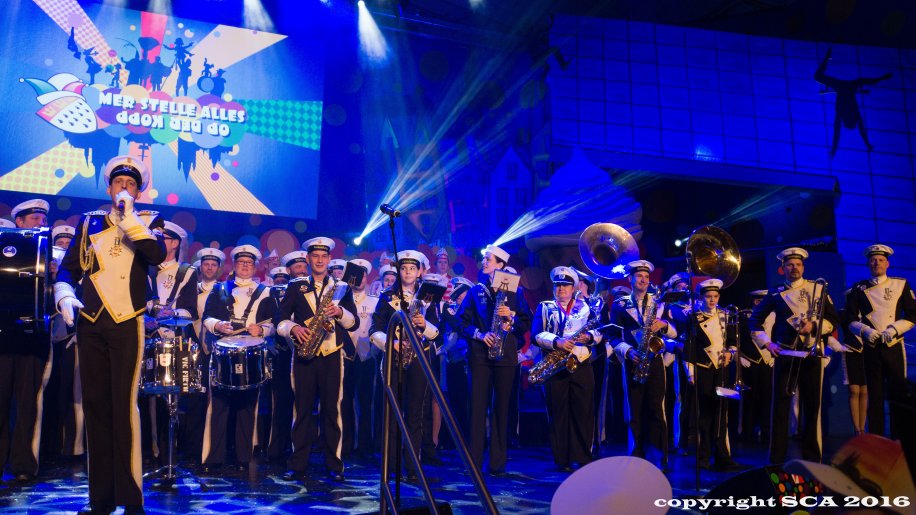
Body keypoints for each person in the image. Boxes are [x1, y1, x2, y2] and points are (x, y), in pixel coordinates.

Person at [55, 156, 166, 513]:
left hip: (127, 321)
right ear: (108, 188)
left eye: (131, 184)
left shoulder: (149, 220)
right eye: (119, 183)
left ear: (139, 191)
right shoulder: (88, 222)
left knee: (124, 408)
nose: (124, 188)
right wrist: (64, 295)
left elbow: (155, 253)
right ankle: (100, 500)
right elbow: (67, 270)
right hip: (90, 323)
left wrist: (129, 215)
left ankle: (132, 500)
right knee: (96, 408)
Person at [277, 237, 358, 482]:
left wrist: (340, 312)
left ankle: (334, 465)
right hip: (304, 354)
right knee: (301, 410)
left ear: (329, 259)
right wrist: (293, 328)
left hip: (332, 354)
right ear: (308, 259)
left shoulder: (341, 287)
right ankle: (297, 464)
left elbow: (354, 323)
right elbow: (279, 319)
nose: (320, 260)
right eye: (315, 256)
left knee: (332, 411)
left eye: (324, 256)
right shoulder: (296, 286)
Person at [749, 247, 839, 464]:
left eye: (798, 264)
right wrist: (767, 343)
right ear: (783, 268)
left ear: (803, 267)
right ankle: (776, 459)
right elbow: (754, 321)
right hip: (786, 353)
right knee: (780, 407)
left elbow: (833, 320)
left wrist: (814, 326)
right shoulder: (775, 292)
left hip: (811, 354)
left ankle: (813, 459)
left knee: (812, 407)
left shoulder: (817, 288)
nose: (794, 268)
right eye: (790, 264)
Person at [455, 245, 531, 476]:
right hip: (480, 355)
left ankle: (498, 462)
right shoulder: (475, 291)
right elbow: (460, 322)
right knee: (477, 407)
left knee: (501, 408)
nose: (484, 262)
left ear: (501, 265)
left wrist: (512, 318)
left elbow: (526, 322)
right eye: (484, 259)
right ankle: (474, 461)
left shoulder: (515, 292)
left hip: (505, 356)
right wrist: (479, 334)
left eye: (488, 259)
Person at [201, 245, 276, 473]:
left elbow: (274, 322)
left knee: (247, 406)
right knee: (219, 406)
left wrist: (262, 331)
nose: (245, 266)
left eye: (249, 263)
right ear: (234, 265)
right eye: (241, 262)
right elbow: (207, 317)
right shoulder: (219, 288)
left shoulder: (266, 291)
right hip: (223, 352)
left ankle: (244, 458)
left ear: (255, 266)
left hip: (251, 353)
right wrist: (217, 325)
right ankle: (214, 458)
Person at [369, 250, 442, 479]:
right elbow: (374, 330)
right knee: (392, 413)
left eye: (412, 268)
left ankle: (412, 467)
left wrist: (425, 324)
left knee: (415, 414)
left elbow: (438, 333)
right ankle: (391, 466)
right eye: (403, 268)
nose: (408, 272)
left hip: (420, 359)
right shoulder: (386, 297)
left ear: (420, 272)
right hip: (394, 358)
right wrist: (391, 342)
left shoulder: (428, 297)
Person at [607, 260, 677, 471]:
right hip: (633, 360)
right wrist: (627, 351)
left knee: (657, 410)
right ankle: (636, 455)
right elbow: (612, 336)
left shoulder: (659, 303)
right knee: (634, 411)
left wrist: (664, 325)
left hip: (654, 361)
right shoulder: (619, 305)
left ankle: (660, 456)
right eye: (639, 276)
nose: (644, 280)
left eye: (646, 277)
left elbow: (675, 332)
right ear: (630, 279)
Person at [533, 267, 604, 471]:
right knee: (558, 412)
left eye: (565, 285)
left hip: (581, 363)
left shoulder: (586, 307)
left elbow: (599, 331)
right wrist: (557, 342)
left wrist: (589, 337)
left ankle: (583, 457)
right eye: (558, 285)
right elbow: (536, 334)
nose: (561, 289)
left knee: (584, 411)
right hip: (555, 365)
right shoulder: (545, 307)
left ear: (574, 288)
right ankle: (562, 459)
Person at [0, 199, 51, 484]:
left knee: (28, 405)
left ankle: (23, 464)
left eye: (43, 219)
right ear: (19, 222)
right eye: (35, 219)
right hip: (3, 337)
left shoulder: (48, 252)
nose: (41, 223)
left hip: (33, 339)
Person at [845, 244, 916, 438]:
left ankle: (899, 439)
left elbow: (913, 314)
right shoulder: (858, 288)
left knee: (898, 395)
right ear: (868, 263)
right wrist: (865, 330)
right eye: (873, 260)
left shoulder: (900, 284)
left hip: (894, 347)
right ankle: (876, 439)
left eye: (881, 260)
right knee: (874, 396)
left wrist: (894, 329)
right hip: (871, 347)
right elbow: (849, 318)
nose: (877, 263)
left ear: (888, 264)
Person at [684, 279, 740, 471]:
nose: (712, 300)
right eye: (708, 296)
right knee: (704, 415)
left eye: (715, 296)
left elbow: (732, 340)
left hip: (721, 368)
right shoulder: (694, 317)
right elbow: (689, 345)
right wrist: (690, 371)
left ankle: (723, 456)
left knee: (721, 413)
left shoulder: (726, 315)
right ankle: (703, 457)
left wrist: (730, 353)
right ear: (701, 297)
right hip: (703, 368)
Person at [181, 247, 225, 460]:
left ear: (218, 268)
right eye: (206, 264)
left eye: (213, 265)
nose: (209, 268)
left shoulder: (224, 291)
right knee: (194, 398)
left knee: (216, 399)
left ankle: (215, 447)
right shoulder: (191, 290)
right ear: (200, 267)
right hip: (194, 348)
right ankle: (192, 448)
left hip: (217, 349)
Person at [266, 251, 308, 465]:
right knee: (280, 404)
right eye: (297, 267)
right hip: (282, 354)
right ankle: (277, 448)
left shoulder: (311, 290)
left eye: (303, 266)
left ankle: (301, 450)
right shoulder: (274, 294)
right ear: (289, 270)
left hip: (305, 353)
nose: (301, 270)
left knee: (303, 405)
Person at [342, 258, 379, 459]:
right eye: (355, 275)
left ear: (366, 278)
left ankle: (365, 444)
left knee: (366, 403)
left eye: (362, 275)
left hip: (367, 356)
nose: (359, 279)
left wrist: (373, 351)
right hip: (344, 355)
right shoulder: (340, 300)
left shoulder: (375, 301)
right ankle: (347, 445)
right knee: (345, 401)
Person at [738, 289, 774, 444]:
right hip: (750, 361)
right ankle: (748, 431)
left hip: (769, 361)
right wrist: (739, 357)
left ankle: (767, 431)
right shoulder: (744, 315)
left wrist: (776, 356)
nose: (760, 303)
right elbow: (737, 338)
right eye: (757, 300)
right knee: (750, 399)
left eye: (763, 300)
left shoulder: (775, 316)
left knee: (767, 398)